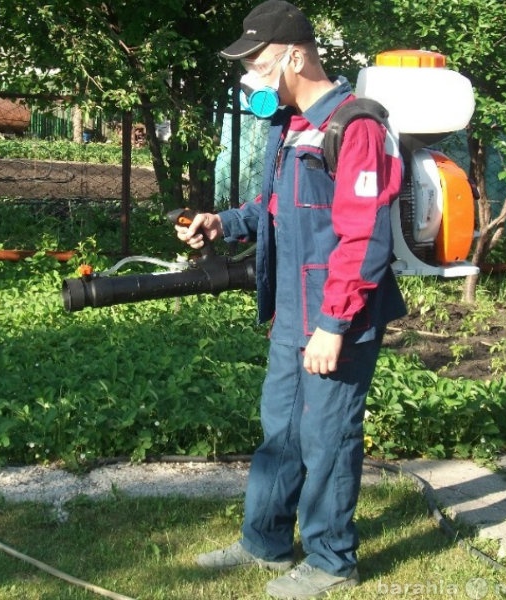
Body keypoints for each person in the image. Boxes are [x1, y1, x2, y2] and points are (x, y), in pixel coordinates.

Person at [174, 1, 407, 598]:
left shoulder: (356, 126)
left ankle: (332, 559)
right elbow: (270, 210)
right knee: (280, 430)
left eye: (256, 63)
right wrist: (220, 223)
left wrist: (334, 323)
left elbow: (365, 237)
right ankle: (266, 543)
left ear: (295, 55)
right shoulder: (288, 126)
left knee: (328, 437)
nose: (250, 76)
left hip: (338, 316)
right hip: (291, 312)